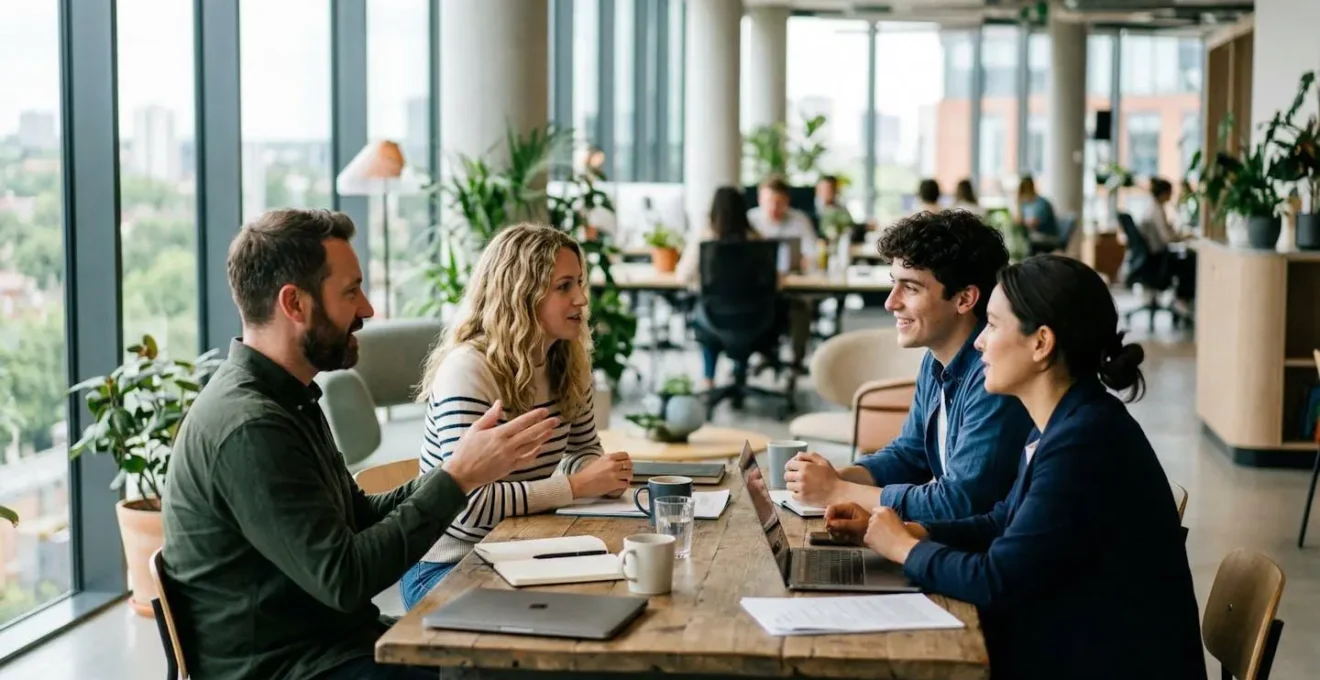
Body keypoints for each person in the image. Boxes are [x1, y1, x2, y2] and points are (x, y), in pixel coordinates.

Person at [163, 209, 559, 680]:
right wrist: (457, 478)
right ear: (294, 304)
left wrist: (459, 468)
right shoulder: (250, 427)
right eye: (351, 292)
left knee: (524, 646)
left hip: (336, 646)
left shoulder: (289, 399)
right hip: (295, 668)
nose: (367, 309)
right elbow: (346, 580)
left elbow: (359, 516)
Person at [825, 255, 1206, 680]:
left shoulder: (1086, 442)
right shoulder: (1062, 423)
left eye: (992, 324)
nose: (979, 342)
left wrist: (903, 549)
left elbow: (997, 581)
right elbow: (1000, 521)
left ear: (1041, 343)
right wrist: (915, 531)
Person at [404, 224, 633, 610]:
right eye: (563, 287)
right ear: (521, 294)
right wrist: (577, 486)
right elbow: (469, 507)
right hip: (449, 562)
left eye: (579, 282)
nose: (581, 299)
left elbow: (582, 447)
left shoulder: (567, 360)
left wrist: (601, 473)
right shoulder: (469, 370)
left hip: (523, 549)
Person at [783, 211, 1033, 522]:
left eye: (910, 288)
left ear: (965, 298)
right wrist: (839, 477)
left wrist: (838, 491)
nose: (890, 302)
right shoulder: (936, 359)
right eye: (894, 284)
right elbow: (911, 454)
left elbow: (960, 503)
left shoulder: (993, 376)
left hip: (978, 557)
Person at [677, 187, 774, 391]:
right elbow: (773, 282)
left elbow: (683, 275)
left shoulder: (705, 240)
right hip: (756, 320)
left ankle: (708, 379)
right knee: (741, 318)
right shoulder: (758, 241)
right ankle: (740, 374)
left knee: (707, 317)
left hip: (714, 319)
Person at [1139, 177, 1196, 315]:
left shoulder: (1153, 207)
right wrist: (1183, 237)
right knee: (1190, 260)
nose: (1172, 195)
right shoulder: (1157, 211)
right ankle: (1182, 299)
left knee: (1187, 258)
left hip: (1153, 257)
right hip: (1158, 259)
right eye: (1170, 192)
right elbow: (1167, 238)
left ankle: (1180, 299)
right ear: (1164, 193)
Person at [748, 175, 817, 268]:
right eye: (769, 201)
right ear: (759, 200)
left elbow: (812, 251)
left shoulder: (800, 219)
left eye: (779, 202)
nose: (773, 207)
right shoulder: (750, 219)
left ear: (787, 201)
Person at [815, 174, 855, 242]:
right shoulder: (810, 209)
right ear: (817, 190)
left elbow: (851, 226)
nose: (829, 192)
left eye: (832, 189)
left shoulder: (841, 207)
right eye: (825, 189)